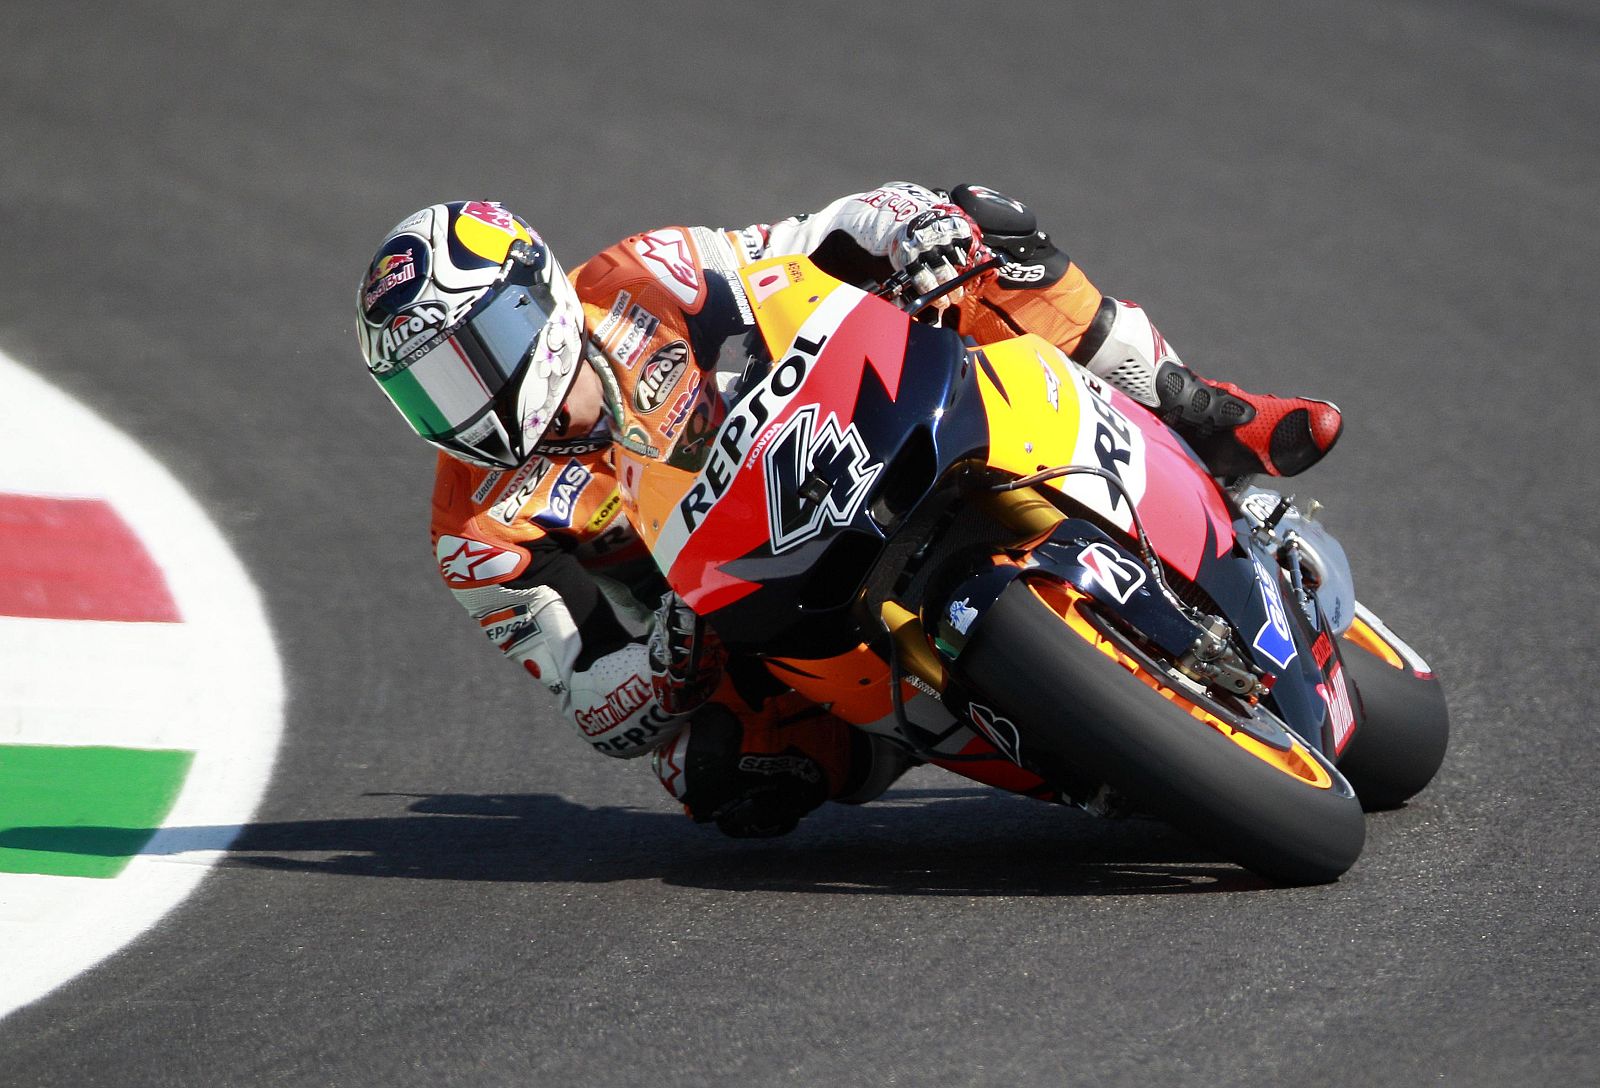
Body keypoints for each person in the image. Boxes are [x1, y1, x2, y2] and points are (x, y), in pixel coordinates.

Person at [355, 185, 1343, 837]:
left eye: (466, 359)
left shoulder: (640, 273)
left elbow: (803, 244)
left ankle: (1207, 415)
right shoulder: (476, 534)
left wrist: (906, 230)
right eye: (423, 393)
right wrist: (662, 652)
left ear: (537, 299)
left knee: (979, 223)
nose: (460, 404)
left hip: (847, 435)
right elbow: (593, 703)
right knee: (718, 776)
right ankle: (942, 723)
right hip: (741, 610)